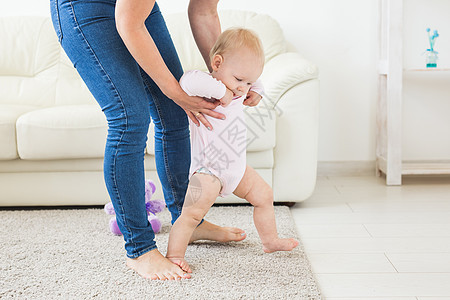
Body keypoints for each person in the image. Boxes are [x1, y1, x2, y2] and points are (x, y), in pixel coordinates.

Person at [50, 0, 262, 281]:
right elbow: (128, 23)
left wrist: (234, 81)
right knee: (130, 118)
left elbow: (204, 11)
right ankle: (139, 249)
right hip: (87, 7)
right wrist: (175, 91)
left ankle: (188, 220)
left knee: (175, 112)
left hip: (136, 9)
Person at [166, 28, 299, 273]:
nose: (242, 89)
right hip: (207, 172)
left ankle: (269, 241)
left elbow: (252, 79)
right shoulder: (205, 86)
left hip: (235, 168)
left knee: (264, 196)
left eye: (248, 82)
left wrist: (257, 90)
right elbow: (187, 80)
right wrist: (222, 92)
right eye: (239, 81)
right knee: (190, 215)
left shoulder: (240, 85)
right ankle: (174, 255)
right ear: (217, 63)